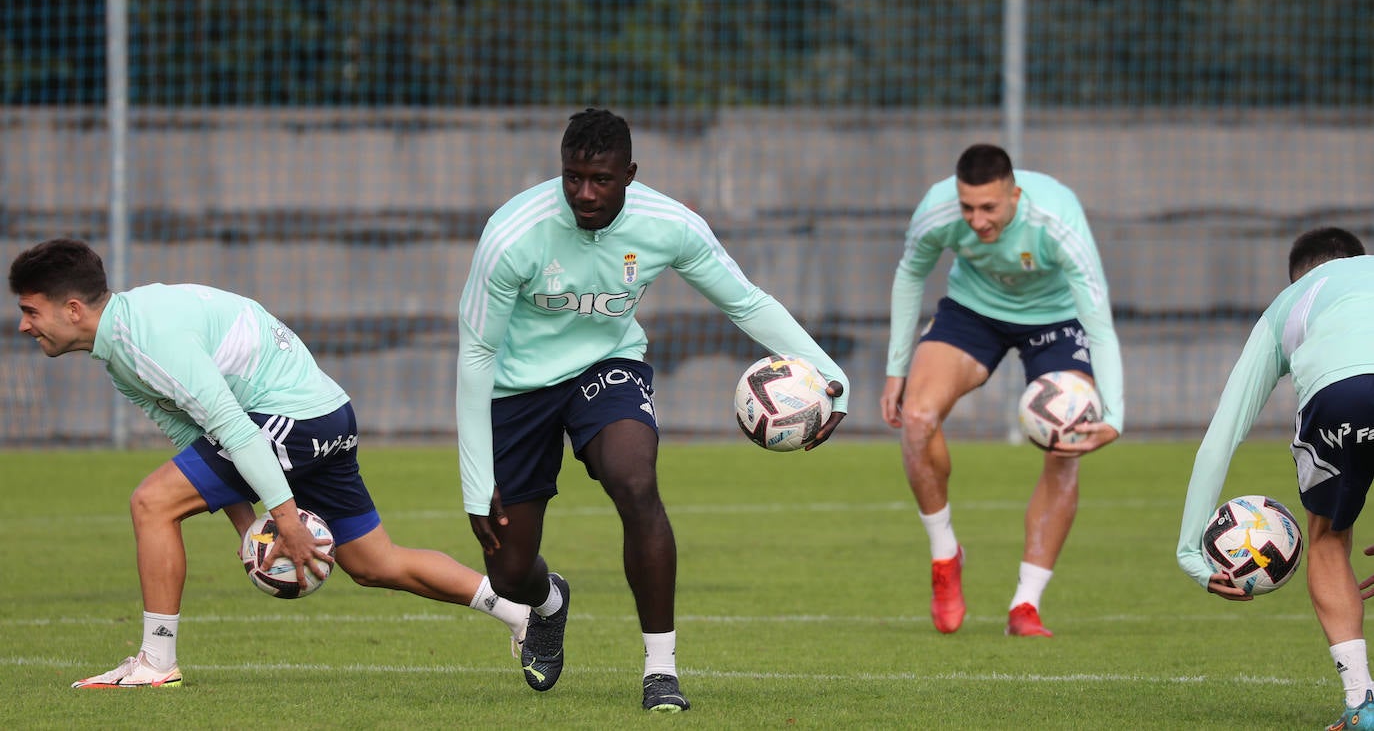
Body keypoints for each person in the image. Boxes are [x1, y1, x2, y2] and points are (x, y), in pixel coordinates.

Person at [455, 107, 850, 712]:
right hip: (516, 387)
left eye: (602, 180)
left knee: (636, 483)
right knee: (509, 571)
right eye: (573, 177)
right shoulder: (512, 235)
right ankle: (549, 602)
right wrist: (477, 483)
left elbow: (744, 303)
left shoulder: (671, 225)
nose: (585, 193)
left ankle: (660, 669)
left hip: (606, 367)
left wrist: (830, 376)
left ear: (630, 174)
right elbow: (477, 356)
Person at [9, 238, 530, 689]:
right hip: (326, 415)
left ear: (72, 309)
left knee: (151, 503)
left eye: (31, 311)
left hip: (292, 419)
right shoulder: (121, 342)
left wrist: (285, 521)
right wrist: (248, 528)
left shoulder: (145, 339)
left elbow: (233, 428)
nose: (23, 325)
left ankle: (156, 662)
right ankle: (521, 613)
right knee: (375, 564)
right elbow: (194, 436)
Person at [879, 143, 1123, 637]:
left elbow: (1099, 323)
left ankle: (1025, 605)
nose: (977, 220)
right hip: (973, 312)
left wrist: (1115, 416)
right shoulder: (937, 211)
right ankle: (945, 556)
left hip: (1057, 319)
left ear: (1014, 194)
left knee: (1064, 446)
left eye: (989, 208)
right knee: (919, 417)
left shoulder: (1058, 221)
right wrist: (896, 369)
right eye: (968, 207)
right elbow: (910, 275)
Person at [1176, 226, 1374, 731]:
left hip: (1340, 397)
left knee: (1329, 539)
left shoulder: (1287, 304)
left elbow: (1219, 441)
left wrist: (1190, 556)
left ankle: (1362, 706)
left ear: (1298, 278)